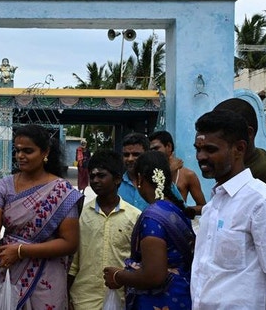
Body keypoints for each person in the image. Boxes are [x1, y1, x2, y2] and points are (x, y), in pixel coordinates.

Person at [0, 124, 82, 309]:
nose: (20, 156)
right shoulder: (4, 186)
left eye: (28, 151)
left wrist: (21, 251)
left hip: (46, 275)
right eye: (17, 150)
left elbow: (70, 243)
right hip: (11, 271)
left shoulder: (62, 191)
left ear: (45, 152)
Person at [191, 109, 266, 309]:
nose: (201, 156)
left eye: (210, 149)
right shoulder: (212, 207)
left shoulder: (265, 203)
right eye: (198, 149)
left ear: (239, 149)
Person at [102, 151, 195, 309]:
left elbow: (154, 275)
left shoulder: (152, 218)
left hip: (161, 301)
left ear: (139, 179)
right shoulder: (175, 209)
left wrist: (118, 276)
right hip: (182, 295)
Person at [69, 150, 140, 310]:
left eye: (101, 176)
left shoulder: (134, 217)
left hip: (122, 299)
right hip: (84, 299)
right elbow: (74, 262)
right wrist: (67, 295)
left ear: (117, 179)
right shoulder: (81, 214)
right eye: (92, 176)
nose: (95, 181)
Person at [118, 133, 183, 211]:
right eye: (126, 155)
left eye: (136, 154)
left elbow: (180, 211)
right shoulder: (116, 186)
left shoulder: (162, 183)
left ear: (147, 154)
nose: (130, 159)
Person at [148, 130, 206, 217]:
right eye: (151, 150)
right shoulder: (148, 174)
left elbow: (204, 207)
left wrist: (182, 210)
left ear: (169, 146)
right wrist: (169, 172)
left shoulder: (187, 175)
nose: (153, 153)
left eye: (156, 148)